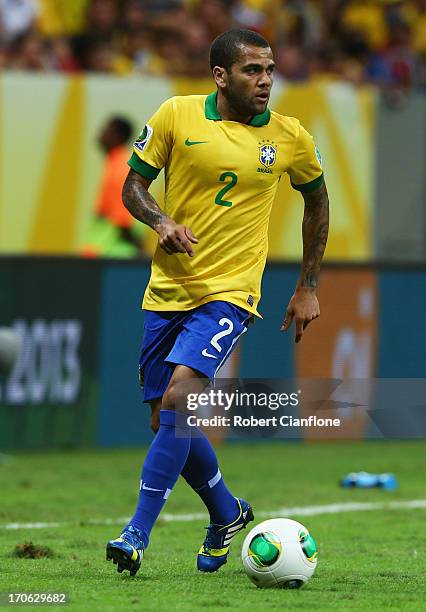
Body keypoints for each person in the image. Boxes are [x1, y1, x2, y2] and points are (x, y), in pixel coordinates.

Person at [106, 28, 329, 576]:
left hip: (231, 292)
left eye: (271, 69)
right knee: (165, 419)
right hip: (168, 289)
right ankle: (227, 512)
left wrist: (308, 286)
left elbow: (316, 202)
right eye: (253, 70)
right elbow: (133, 185)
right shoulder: (177, 115)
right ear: (220, 76)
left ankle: (136, 534)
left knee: (181, 399)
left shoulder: (289, 136)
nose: (267, 81)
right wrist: (160, 220)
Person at [82, 116, 143, 257]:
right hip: (106, 255)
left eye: (105, 129)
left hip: (113, 256)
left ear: (117, 136)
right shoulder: (114, 163)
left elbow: (124, 218)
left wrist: (141, 254)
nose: (101, 134)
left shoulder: (121, 166)